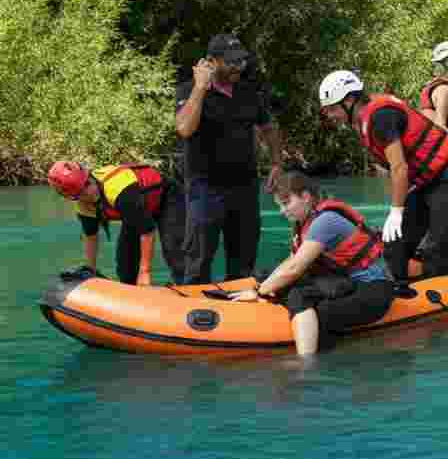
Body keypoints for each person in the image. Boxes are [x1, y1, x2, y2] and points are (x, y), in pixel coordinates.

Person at [318, 70, 448, 280]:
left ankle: (437, 285)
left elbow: (399, 168)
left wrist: (396, 211)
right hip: (425, 180)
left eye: (333, 109)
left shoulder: (380, 118)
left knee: (437, 248)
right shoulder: (362, 120)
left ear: (350, 100)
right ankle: (396, 289)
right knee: (394, 245)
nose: (330, 115)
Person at [229, 172, 394, 355]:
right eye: (280, 206)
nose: (282, 211)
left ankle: (307, 365)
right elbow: (291, 262)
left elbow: (294, 269)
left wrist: (258, 292)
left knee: (310, 304)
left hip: (373, 289)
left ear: (305, 197)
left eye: (286, 203)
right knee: (267, 276)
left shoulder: (325, 222)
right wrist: (265, 285)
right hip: (343, 282)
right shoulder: (304, 222)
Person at [175, 34, 283, 284]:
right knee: (199, 257)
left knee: (243, 257)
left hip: (244, 186)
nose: (238, 67)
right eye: (231, 62)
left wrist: (276, 163)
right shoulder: (189, 89)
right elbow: (184, 128)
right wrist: (201, 87)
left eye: (241, 61)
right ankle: (193, 306)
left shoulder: (248, 92)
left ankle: (238, 306)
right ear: (212, 62)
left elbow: (268, 127)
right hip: (205, 187)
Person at [48, 161, 187, 285]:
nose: (89, 192)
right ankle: (133, 298)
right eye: (81, 193)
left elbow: (147, 230)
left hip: (166, 198)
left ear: (89, 176)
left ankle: (190, 289)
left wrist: (144, 272)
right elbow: (90, 237)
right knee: (125, 266)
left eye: (88, 184)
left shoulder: (118, 190)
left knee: (174, 252)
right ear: (73, 197)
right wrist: (90, 270)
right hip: (134, 211)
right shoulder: (83, 206)